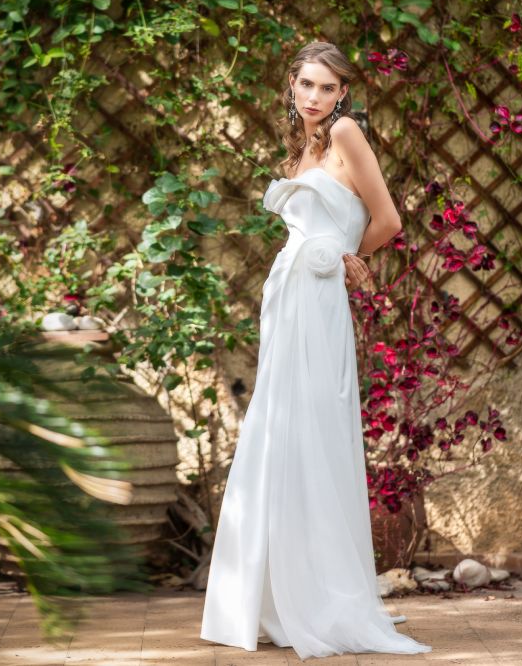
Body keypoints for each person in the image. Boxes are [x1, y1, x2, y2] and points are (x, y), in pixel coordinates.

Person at [200, 41, 432, 660]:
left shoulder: (347, 133)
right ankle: (278, 588)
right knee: (280, 427)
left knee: (314, 428)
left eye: (326, 88)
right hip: (289, 295)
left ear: (342, 94)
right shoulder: (304, 147)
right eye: (306, 84)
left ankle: (323, 595)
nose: (313, 97)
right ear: (291, 85)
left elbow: (387, 219)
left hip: (321, 293)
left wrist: (348, 256)